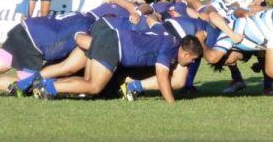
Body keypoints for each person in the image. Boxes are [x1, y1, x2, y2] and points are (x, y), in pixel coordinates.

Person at [34, 20, 203, 103]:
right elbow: (161, 76)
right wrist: (172, 104)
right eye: (192, 60)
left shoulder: (169, 38)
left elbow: (154, 23)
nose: (190, 64)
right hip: (113, 44)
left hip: (108, 37)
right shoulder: (170, 47)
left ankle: (49, 84)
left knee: (88, 83)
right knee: (94, 86)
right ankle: (49, 88)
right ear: (186, 54)